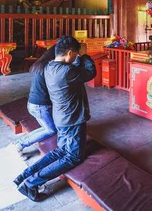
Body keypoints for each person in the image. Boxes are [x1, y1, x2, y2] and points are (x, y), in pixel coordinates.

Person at [14, 36, 96, 202]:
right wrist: (86, 56)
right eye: (75, 54)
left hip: (61, 117)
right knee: (73, 157)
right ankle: (30, 183)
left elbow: (74, 69)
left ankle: (25, 176)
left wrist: (78, 58)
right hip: (72, 120)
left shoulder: (50, 66)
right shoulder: (67, 71)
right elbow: (90, 72)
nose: (76, 57)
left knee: (60, 152)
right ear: (70, 53)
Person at [11, 46, 57, 160]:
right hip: (40, 106)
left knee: (46, 127)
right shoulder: (49, 67)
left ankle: (19, 142)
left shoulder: (41, 64)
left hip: (33, 103)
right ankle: (20, 145)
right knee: (50, 130)